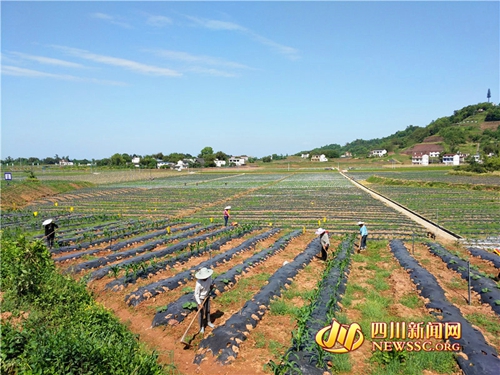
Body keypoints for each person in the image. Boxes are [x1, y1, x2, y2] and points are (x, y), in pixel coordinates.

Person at [194, 267, 215, 334]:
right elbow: (196, 294)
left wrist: (211, 287)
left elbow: (210, 284)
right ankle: (201, 327)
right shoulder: (198, 283)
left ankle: (208, 322)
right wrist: (199, 303)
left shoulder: (209, 278)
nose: (205, 278)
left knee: (207, 310)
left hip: (207, 296)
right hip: (200, 298)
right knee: (201, 313)